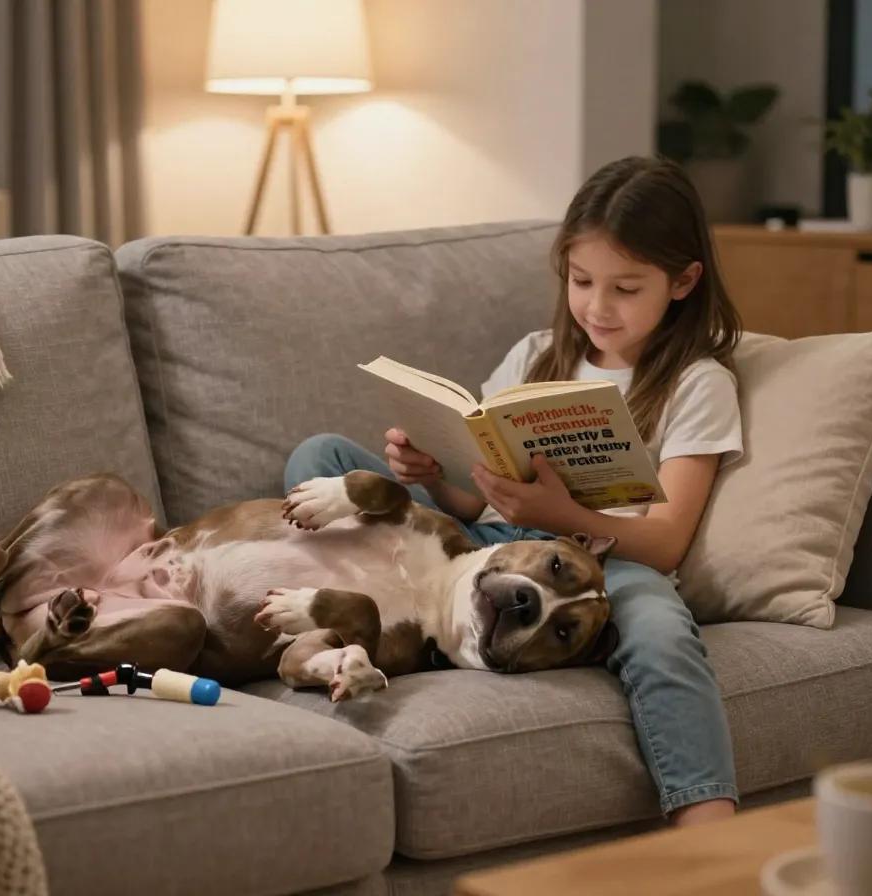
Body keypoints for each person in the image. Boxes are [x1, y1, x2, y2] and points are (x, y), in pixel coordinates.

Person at [283, 155, 745, 827]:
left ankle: (708, 831)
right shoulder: (536, 354)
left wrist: (563, 514)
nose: (596, 306)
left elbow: (669, 540)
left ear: (683, 281)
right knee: (320, 455)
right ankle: (375, 623)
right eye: (582, 281)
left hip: (606, 566)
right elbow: (476, 505)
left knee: (662, 636)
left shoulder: (697, 383)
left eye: (625, 288)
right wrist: (433, 474)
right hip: (486, 545)